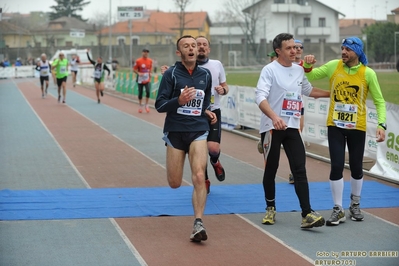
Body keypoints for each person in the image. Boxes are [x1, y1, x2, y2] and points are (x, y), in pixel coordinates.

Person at [303, 36, 387, 226]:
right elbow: (312, 76)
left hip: (357, 126)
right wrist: (308, 65)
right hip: (335, 126)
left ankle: (355, 205)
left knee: (357, 167)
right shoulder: (334, 66)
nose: (343, 52)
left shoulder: (368, 74)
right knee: (336, 166)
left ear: (357, 51)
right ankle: (338, 209)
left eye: (347, 49)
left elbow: (380, 101)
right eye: (342, 48)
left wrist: (382, 125)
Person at [255, 33, 330, 229]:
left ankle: (307, 213)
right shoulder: (269, 70)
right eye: (289, 48)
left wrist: (332, 94)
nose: (294, 51)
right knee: (271, 169)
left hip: (293, 127)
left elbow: (308, 90)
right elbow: (260, 98)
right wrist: (274, 117)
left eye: (295, 47)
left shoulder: (299, 70)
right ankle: (270, 208)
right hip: (272, 127)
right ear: (278, 51)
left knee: (299, 169)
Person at [155, 35, 216, 242]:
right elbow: (160, 105)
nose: (192, 48)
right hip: (175, 131)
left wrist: (206, 111)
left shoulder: (205, 75)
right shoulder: (171, 74)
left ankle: (198, 222)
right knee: (174, 182)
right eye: (186, 46)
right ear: (179, 53)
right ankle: (197, 220)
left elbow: (205, 99)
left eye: (194, 45)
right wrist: (179, 101)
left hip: (198, 130)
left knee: (199, 176)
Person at [133, 49, 153, 113]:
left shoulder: (150, 60)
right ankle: (140, 105)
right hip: (140, 79)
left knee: (148, 91)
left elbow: (150, 68)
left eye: (147, 52)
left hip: (147, 79)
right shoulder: (138, 61)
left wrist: (150, 73)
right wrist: (138, 73)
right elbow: (134, 69)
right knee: (140, 92)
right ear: (142, 53)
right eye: (144, 52)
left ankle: (146, 104)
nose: (146, 53)